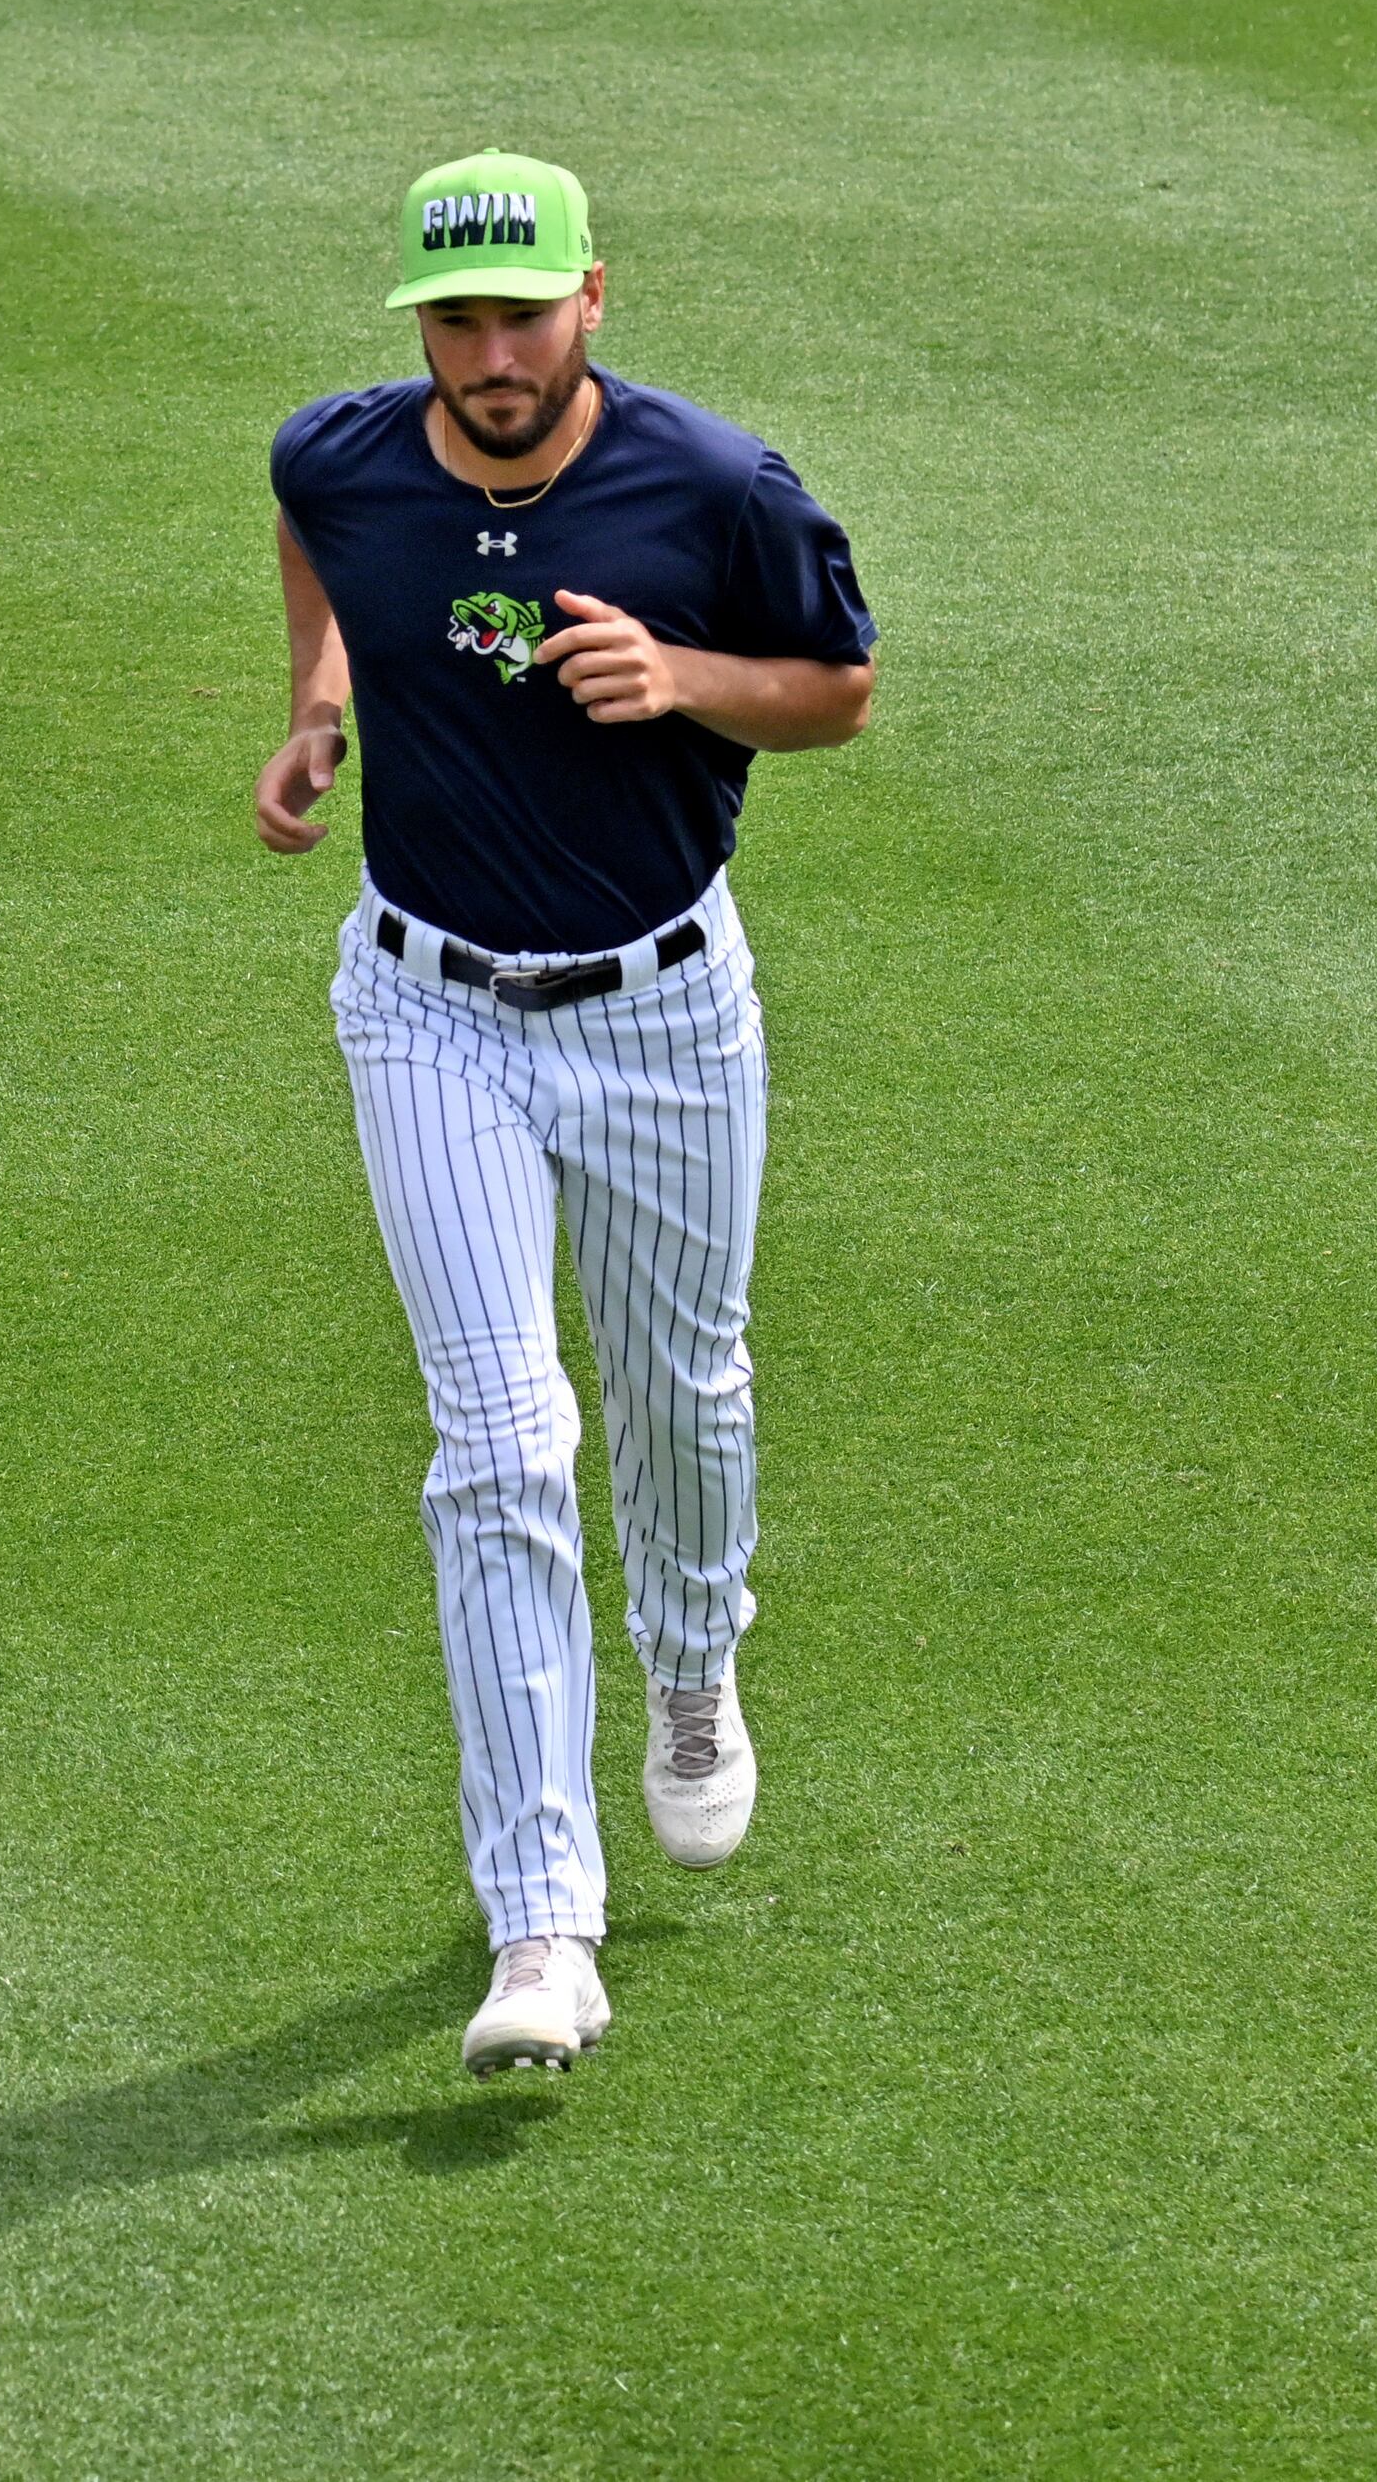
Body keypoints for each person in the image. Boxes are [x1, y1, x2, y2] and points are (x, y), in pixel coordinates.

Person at [259, 149, 878, 2072]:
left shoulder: (713, 484)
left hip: (668, 1017)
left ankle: (693, 1669)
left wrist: (683, 672)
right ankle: (543, 1927)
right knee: (504, 1440)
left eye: (525, 313)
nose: (494, 353)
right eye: (457, 319)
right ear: (417, 325)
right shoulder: (344, 455)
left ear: (593, 297)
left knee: (682, 1389)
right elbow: (316, 533)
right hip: (427, 1008)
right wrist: (317, 705)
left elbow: (840, 689)